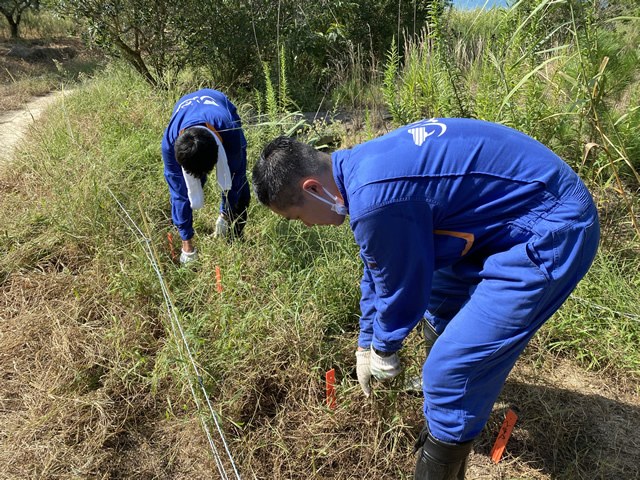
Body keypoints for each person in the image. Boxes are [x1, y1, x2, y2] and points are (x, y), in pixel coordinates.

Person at [251, 118, 600, 480]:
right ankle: (454, 399)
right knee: (440, 295)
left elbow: (403, 290)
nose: (307, 225)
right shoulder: (359, 170)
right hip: (513, 212)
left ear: (312, 188)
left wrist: (384, 349)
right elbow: (380, 269)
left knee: (447, 375)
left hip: (551, 227)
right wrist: (365, 344)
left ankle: (450, 406)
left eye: (297, 217)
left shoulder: (375, 199)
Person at [161, 89, 251, 263]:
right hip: (185, 105)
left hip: (217, 102)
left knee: (240, 187)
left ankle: (236, 238)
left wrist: (225, 215)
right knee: (184, 190)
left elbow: (236, 175)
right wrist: (187, 245)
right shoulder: (170, 143)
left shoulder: (230, 131)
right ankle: (186, 232)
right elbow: (178, 193)